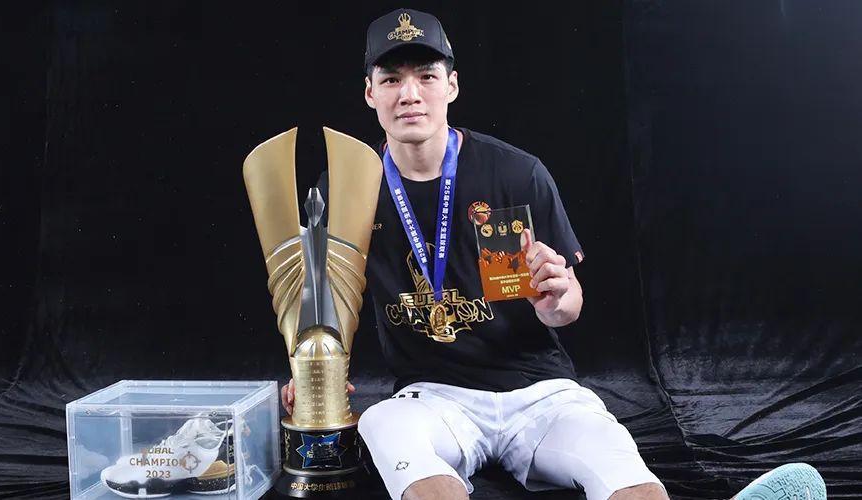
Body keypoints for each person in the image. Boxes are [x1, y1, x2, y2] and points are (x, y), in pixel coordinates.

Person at [281, 8, 827, 500]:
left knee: (622, 469)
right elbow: (326, 301)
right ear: (370, 93)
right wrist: (312, 374)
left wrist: (557, 299)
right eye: (391, 80)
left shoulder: (517, 172)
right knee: (381, 424)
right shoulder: (347, 190)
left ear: (452, 85)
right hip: (433, 399)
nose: (409, 94)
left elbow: (567, 309)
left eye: (426, 76)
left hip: (541, 395)